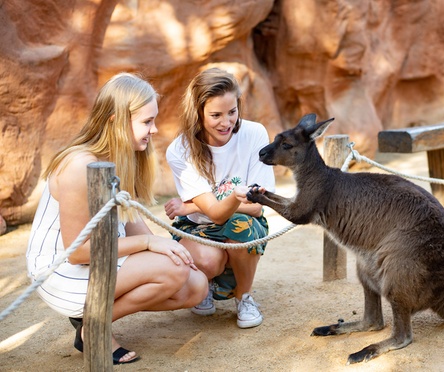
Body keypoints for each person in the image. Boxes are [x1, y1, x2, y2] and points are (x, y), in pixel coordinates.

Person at [26, 73, 209, 365]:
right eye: (147, 121)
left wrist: (165, 246)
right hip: (60, 271)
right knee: (171, 271)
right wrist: (150, 244)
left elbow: (132, 221)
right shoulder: (79, 165)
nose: (155, 129)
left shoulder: (122, 156)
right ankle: (93, 326)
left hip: (101, 257)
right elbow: (78, 252)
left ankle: (93, 320)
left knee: (196, 284)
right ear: (116, 120)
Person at [164, 67, 275, 329]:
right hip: (198, 226)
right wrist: (237, 198)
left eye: (232, 112)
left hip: (241, 225)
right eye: (215, 115)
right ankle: (208, 284)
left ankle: (243, 296)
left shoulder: (255, 134)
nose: (226, 123)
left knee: (240, 224)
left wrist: (189, 206)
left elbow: (258, 207)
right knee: (209, 261)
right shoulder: (180, 149)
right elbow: (213, 214)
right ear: (198, 113)